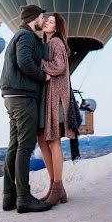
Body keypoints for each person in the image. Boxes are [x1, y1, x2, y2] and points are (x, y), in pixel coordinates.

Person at [0, 4, 52, 214]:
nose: (44, 19)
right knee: (25, 146)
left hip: (12, 96)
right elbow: (24, 62)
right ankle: (24, 197)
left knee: (14, 145)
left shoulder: (18, 35)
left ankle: (8, 197)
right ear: (35, 18)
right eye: (42, 16)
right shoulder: (27, 36)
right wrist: (43, 76)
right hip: (23, 96)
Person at [37, 13, 76, 205]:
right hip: (49, 98)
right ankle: (54, 186)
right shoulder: (49, 42)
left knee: (53, 141)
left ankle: (58, 187)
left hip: (57, 99)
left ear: (57, 27)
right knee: (44, 139)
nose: (46, 23)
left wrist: (41, 64)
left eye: (51, 21)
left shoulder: (56, 42)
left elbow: (59, 67)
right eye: (46, 20)